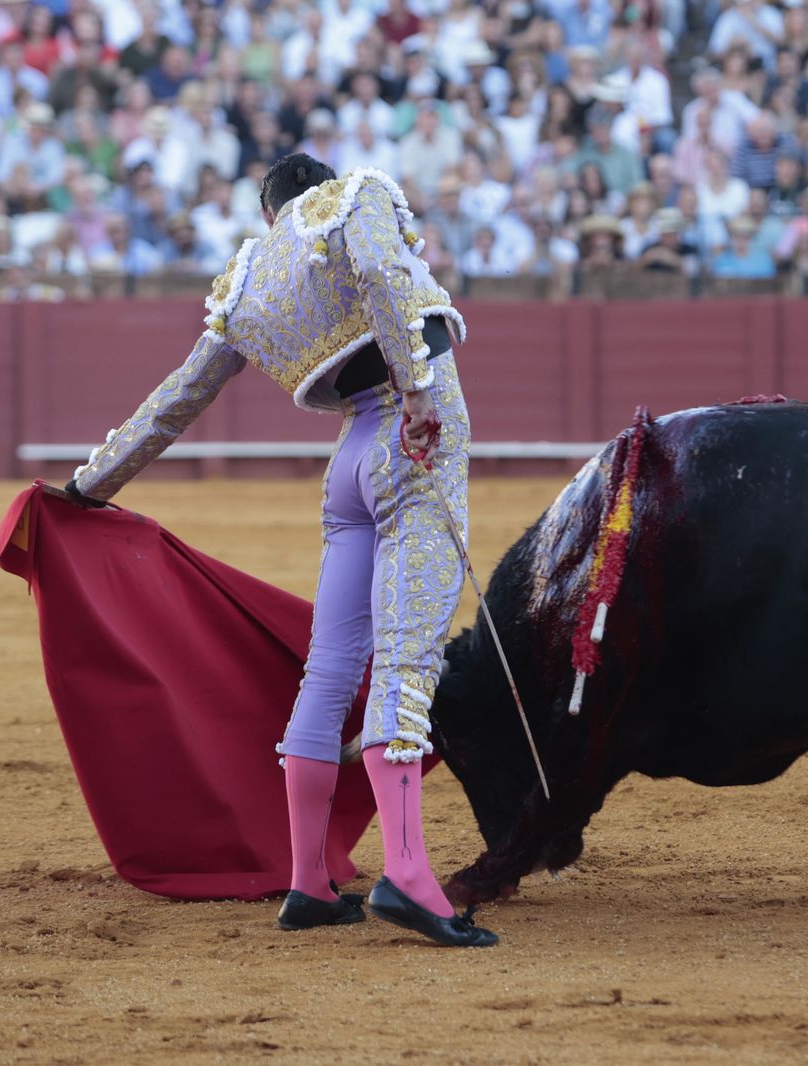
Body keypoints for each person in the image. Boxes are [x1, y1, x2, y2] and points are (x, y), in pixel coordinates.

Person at [60, 154, 497, 949]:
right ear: (318, 187)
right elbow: (381, 273)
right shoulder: (355, 196)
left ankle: (307, 883)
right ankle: (407, 876)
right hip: (412, 446)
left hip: (349, 466)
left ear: (270, 213)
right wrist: (418, 389)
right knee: (406, 661)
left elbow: (179, 396)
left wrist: (90, 485)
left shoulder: (248, 277)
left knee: (328, 672)